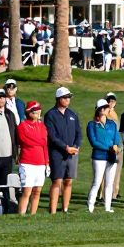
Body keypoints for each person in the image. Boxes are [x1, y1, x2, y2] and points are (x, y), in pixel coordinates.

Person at [44, 86, 81, 214]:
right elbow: (52, 136)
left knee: (68, 181)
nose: (68, 100)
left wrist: (76, 146)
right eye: (65, 97)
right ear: (58, 98)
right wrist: (65, 147)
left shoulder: (72, 114)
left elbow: (78, 133)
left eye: (69, 97)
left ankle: (65, 209)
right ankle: (53, 211)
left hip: (72, 152)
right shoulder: (50, 115)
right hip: (57, 153)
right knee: (57, 181)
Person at [86, 98, 120, 213]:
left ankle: (107, 207)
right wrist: (109, 148)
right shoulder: (92, 125)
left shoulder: (112, 124)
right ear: (100, 110)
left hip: (111, 156)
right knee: (97, 181)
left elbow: (116, 138)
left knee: (109, 183)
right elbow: (94, 142)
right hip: (99, 156)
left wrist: (116, 147)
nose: (107, 109)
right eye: (105, 108)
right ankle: (90, 206)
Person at [15, 101, 48, 215]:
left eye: (39, 111)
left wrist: (47, 162)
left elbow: (44, 144)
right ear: (29, 112)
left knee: (37, 191)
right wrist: (38, 141)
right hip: (27, 162)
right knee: (27, 191)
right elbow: (26, 141)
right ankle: (22, 215)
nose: (38, 113)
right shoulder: (22, 126)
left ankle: (33, 215)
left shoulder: (42, 126)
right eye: (35, 111)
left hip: (40, 162)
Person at [103, 92, 123, 202]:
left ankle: (114, 193)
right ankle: (103, 195)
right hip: (109, 146)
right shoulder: (104, 114)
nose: (111, 103)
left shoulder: (115, 113)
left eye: (113, 101)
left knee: (117, 171)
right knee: (106, 171)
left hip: (118, 145)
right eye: (109, 100)